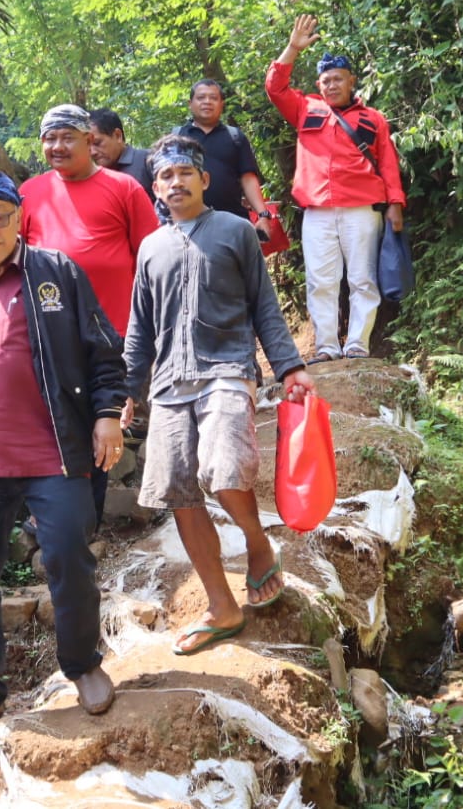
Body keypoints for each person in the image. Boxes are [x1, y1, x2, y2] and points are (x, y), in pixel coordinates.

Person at [0, 170, 125, 738]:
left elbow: (104, 351)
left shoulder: (56, 273)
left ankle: (82, 665)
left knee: (66, 555)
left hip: (51, 451)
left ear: (18, 218)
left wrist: (108, 414)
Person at [123, 135, 315, 656]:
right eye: (165, 177)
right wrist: (127, 391)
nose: (176, 182)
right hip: (167, 383)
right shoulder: (150, 248)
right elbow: (140, 330)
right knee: (178, 490)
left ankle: (257, 546)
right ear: (155, 188)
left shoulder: (234, 231)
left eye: (186, 173)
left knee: (222, 467)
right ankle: (221, 607)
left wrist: (290, 367)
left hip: (227, 369)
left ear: (205, 180)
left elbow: (265, 306)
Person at [20, 103, 158, 520]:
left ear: (89, 141)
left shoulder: (125, 189)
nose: (57, 146)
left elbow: (151, 262)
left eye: (67, 137)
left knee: (101, 438)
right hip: (48, 341)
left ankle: (85, 530)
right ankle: (47, 526)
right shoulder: (28, 193)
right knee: (50, 434)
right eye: (49, 138)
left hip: (111, 343)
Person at [266, 14, 406, 361]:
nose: (331, 85)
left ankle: (357, 345)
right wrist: (292, 48)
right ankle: (327, 346)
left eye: (338, 79)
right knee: (321, 281)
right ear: (319, 84)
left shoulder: (372, 118)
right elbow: (275, 88)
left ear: (351, 81)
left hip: (361, 209)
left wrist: (395, 204)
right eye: (325, 80)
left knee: (362, 279)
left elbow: (388, 164)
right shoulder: (305, 108)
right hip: (317, 211)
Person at [176, 79, 278, 241]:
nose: (207, 102)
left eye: (213, 98)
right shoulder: (176, 137)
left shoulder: (235, 137)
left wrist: (263, 215)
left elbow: (248, 179)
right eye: (201, 98)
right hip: (188, 225)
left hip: (233, 223)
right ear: (190, 103)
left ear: (221, 103)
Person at [88, 108, 155, 192]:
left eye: (97, 143)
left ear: (117, 135)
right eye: (87, 146)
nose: (92, 152)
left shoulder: (148, 160)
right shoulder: (94, 176)